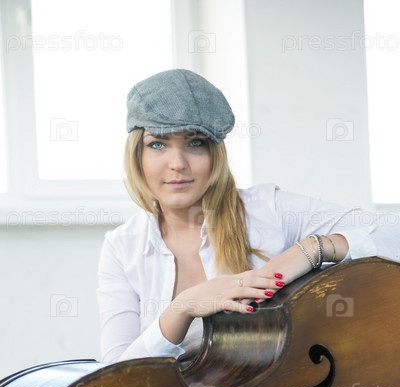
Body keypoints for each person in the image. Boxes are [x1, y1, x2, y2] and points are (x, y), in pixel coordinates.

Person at [97, 69, 400, 365]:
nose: (177, 163)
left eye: (195, 142)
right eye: (158, 144)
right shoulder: (122, 247)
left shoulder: (268, 210)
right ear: (137, 155)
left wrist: (311, 249)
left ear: (215, 153)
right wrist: (183, 307)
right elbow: (114, 374)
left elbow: (392, 232)